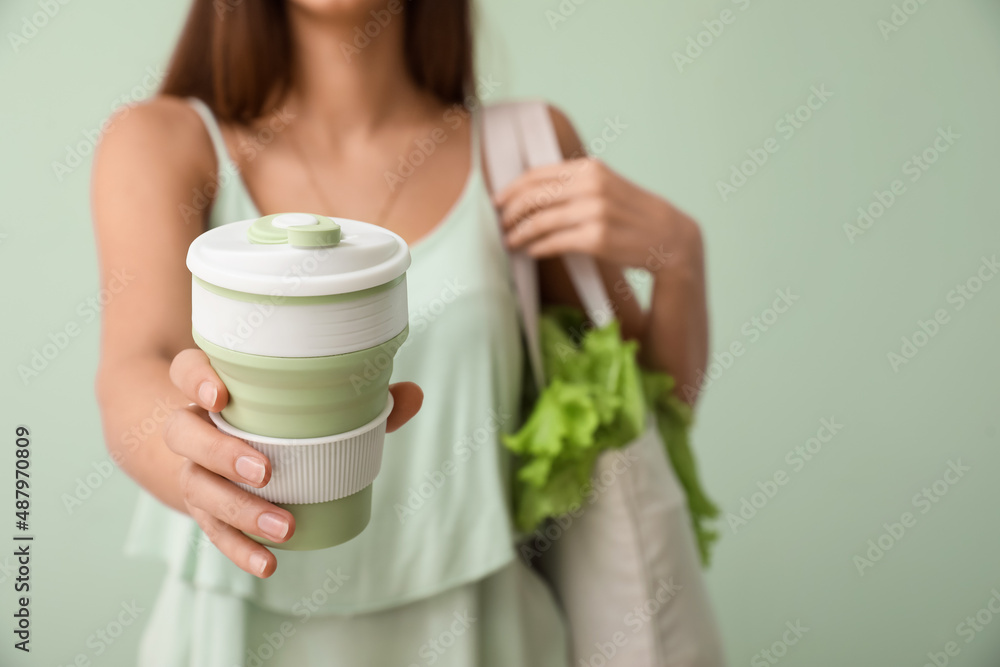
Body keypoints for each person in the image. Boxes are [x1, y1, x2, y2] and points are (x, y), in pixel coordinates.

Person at [91, 0, 709, 664]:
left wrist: (680, 260)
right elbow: (136, 365)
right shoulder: (162, 143)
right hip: (234, 633)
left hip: (484, 635)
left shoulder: (521, 152)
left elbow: (646, 411)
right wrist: (189, 461)